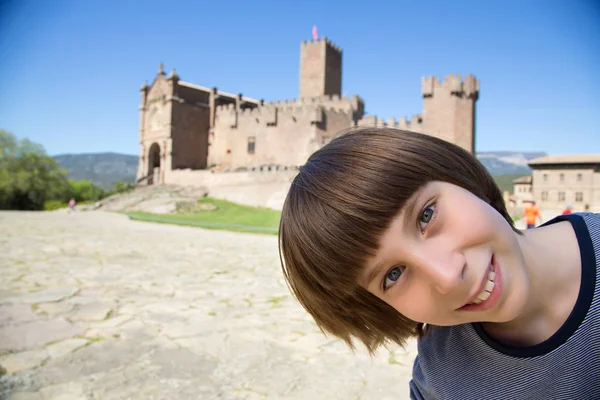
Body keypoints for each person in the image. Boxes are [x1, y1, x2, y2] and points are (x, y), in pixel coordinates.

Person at [278, 127, 600, 399]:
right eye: (393, 275)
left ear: (462, 179)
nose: (447, 277)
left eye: (426, 215)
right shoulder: (439, 383)